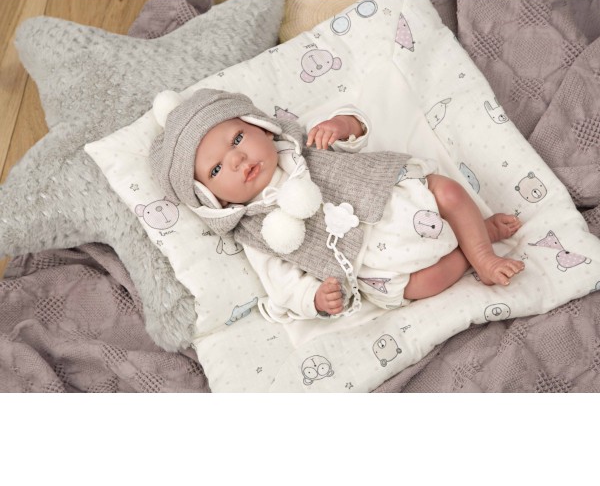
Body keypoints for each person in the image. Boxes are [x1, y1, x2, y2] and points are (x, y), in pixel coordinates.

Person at [149, 88, 524, 323]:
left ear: (262, 128)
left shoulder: (301, 146)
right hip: (372, 262)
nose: (236, 159)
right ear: (213, 199)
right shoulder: (255, 232)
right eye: (216, 169)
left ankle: (483, 254)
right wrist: (313, 298)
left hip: (391, 199)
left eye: (237, 139)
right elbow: (281, 285)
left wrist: (341, 125)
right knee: (425, 283)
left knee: (449, 192)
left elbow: (356, 132)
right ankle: (468, 249)